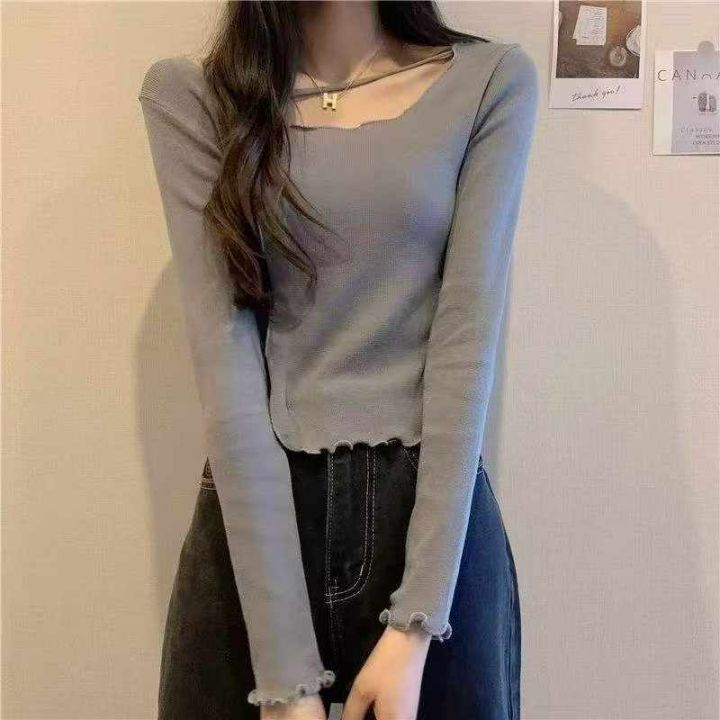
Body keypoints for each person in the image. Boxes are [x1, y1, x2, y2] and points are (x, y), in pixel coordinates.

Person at [137, 2, 539, 719]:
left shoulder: (489, 81)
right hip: (259, 542)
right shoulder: (192, 97)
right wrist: (284, 677)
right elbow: (226, 368)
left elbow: (464, 351)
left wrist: (416, 623)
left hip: (433, 537)